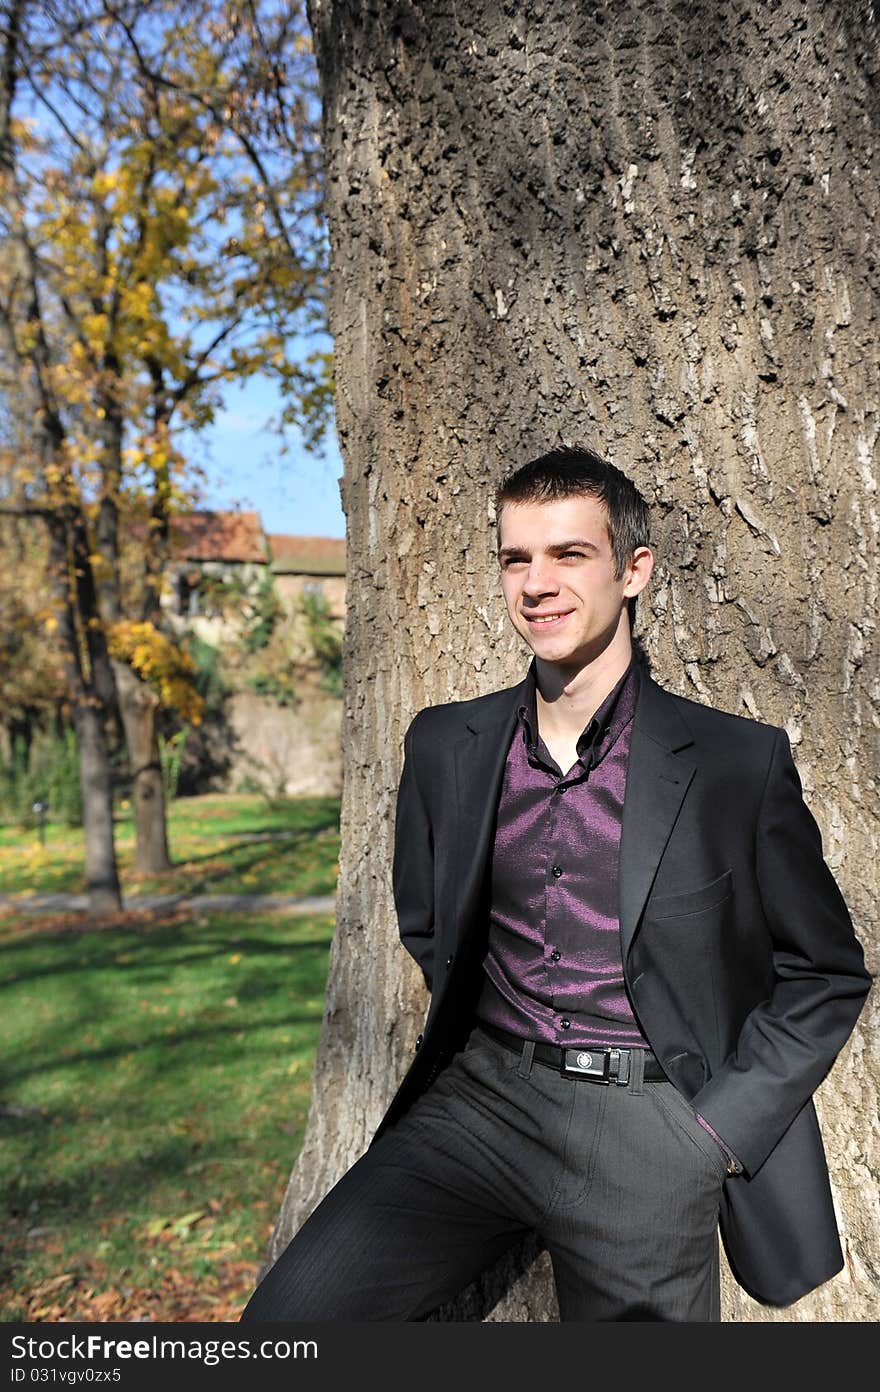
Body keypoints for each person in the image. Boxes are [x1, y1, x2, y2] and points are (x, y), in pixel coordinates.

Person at [241, 445, 871, 1322]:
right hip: (482, 1103)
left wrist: (711, 1137)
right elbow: (431, 925)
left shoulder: (735, 763)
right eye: (516, 557)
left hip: (652, 1127)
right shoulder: (445, 744)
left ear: (634, 570)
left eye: (569, 554)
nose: (536, 583)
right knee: (288, 1326)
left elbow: (826, 973)